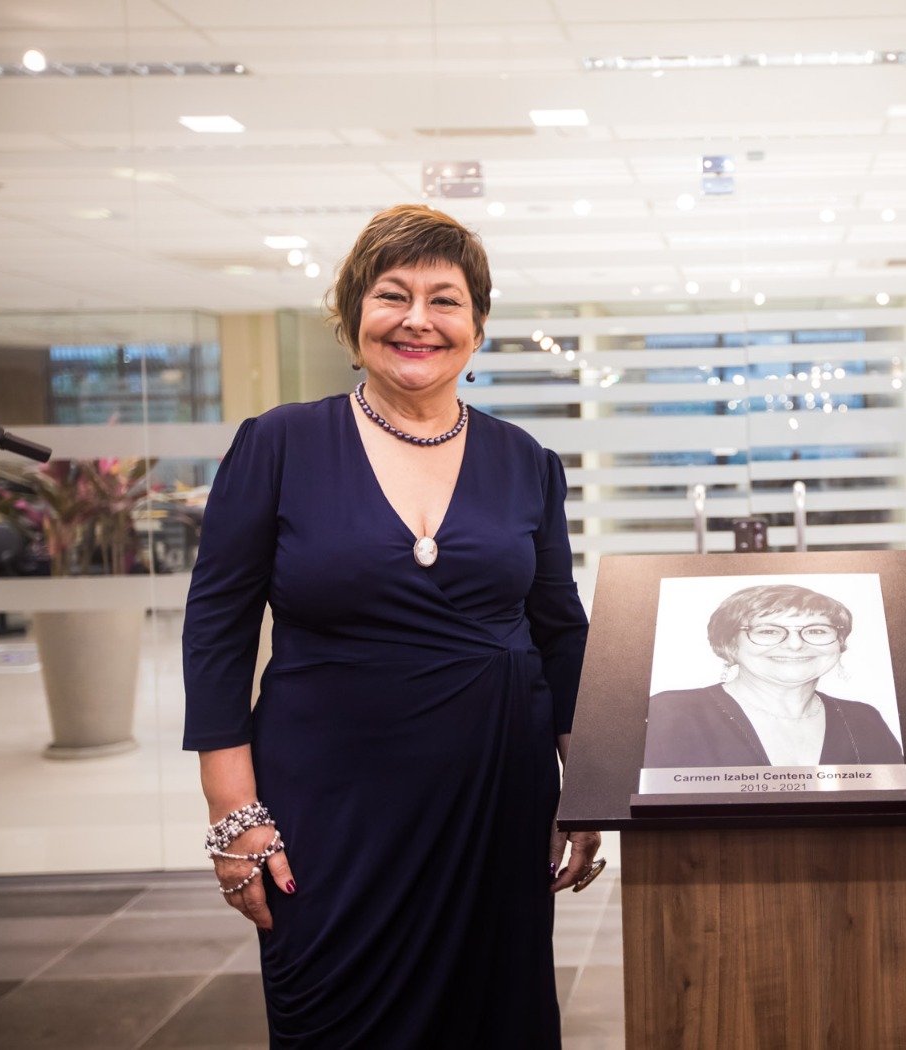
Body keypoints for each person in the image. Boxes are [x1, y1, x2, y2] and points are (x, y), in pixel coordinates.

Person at [182, 203, 600, 1048]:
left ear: (477, 327)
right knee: (332, 1016)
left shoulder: (528, 462)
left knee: (496, 1020)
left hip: (496, 794)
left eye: (445, 300)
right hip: (328, 802)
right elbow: (217, 631)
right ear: (352, 316)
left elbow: (560, 629)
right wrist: (234, 819)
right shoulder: (278, 445)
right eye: (392, 295)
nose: (418, 319)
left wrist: (584, 782)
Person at [642, 583, 904, 767]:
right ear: (730, 644)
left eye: (816, 630)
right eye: (768, 631)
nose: (794, 645)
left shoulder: (863, 719)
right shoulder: (671, 713)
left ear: (840, 643)